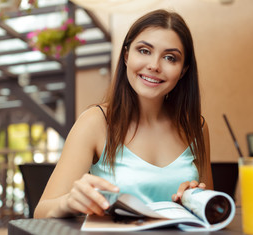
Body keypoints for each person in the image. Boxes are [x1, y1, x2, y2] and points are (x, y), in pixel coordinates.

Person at [34, 9, 213, 218]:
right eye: (144, 51)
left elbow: (211, 208)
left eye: (170, 58)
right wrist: (69, 201)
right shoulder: (96, 122)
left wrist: (196, 196)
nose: (154, 65)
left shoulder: (196, 127)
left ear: (183, 70)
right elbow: (41, 212)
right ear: (127, 55)